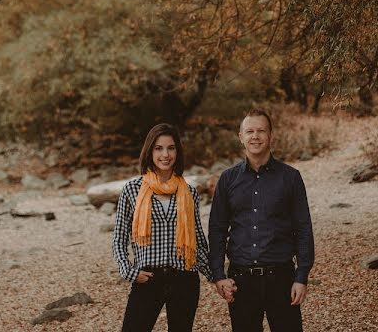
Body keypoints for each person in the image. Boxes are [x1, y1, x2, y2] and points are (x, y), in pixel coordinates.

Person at [208, 108, 315, 332]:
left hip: (282, 279)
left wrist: (301, 276)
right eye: (250, 131)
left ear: (271, 135)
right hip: (241, 281)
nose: (255, 136)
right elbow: (217, 229)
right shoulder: (228, 179)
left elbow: (303, 229)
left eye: (261, 131)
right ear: (241, 137)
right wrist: (218, 275)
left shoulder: (291, 178)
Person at [113, 123, 213, 332]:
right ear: (149, 151)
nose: (165, 154)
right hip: (148, 279)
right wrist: (129, 272)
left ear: (178, 151)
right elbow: (119, 239)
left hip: (184, 280)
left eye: (171, 148)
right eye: (159, 148)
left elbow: (197, 242)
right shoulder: (132, 190)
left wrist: (218, 277)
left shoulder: (189, 192)